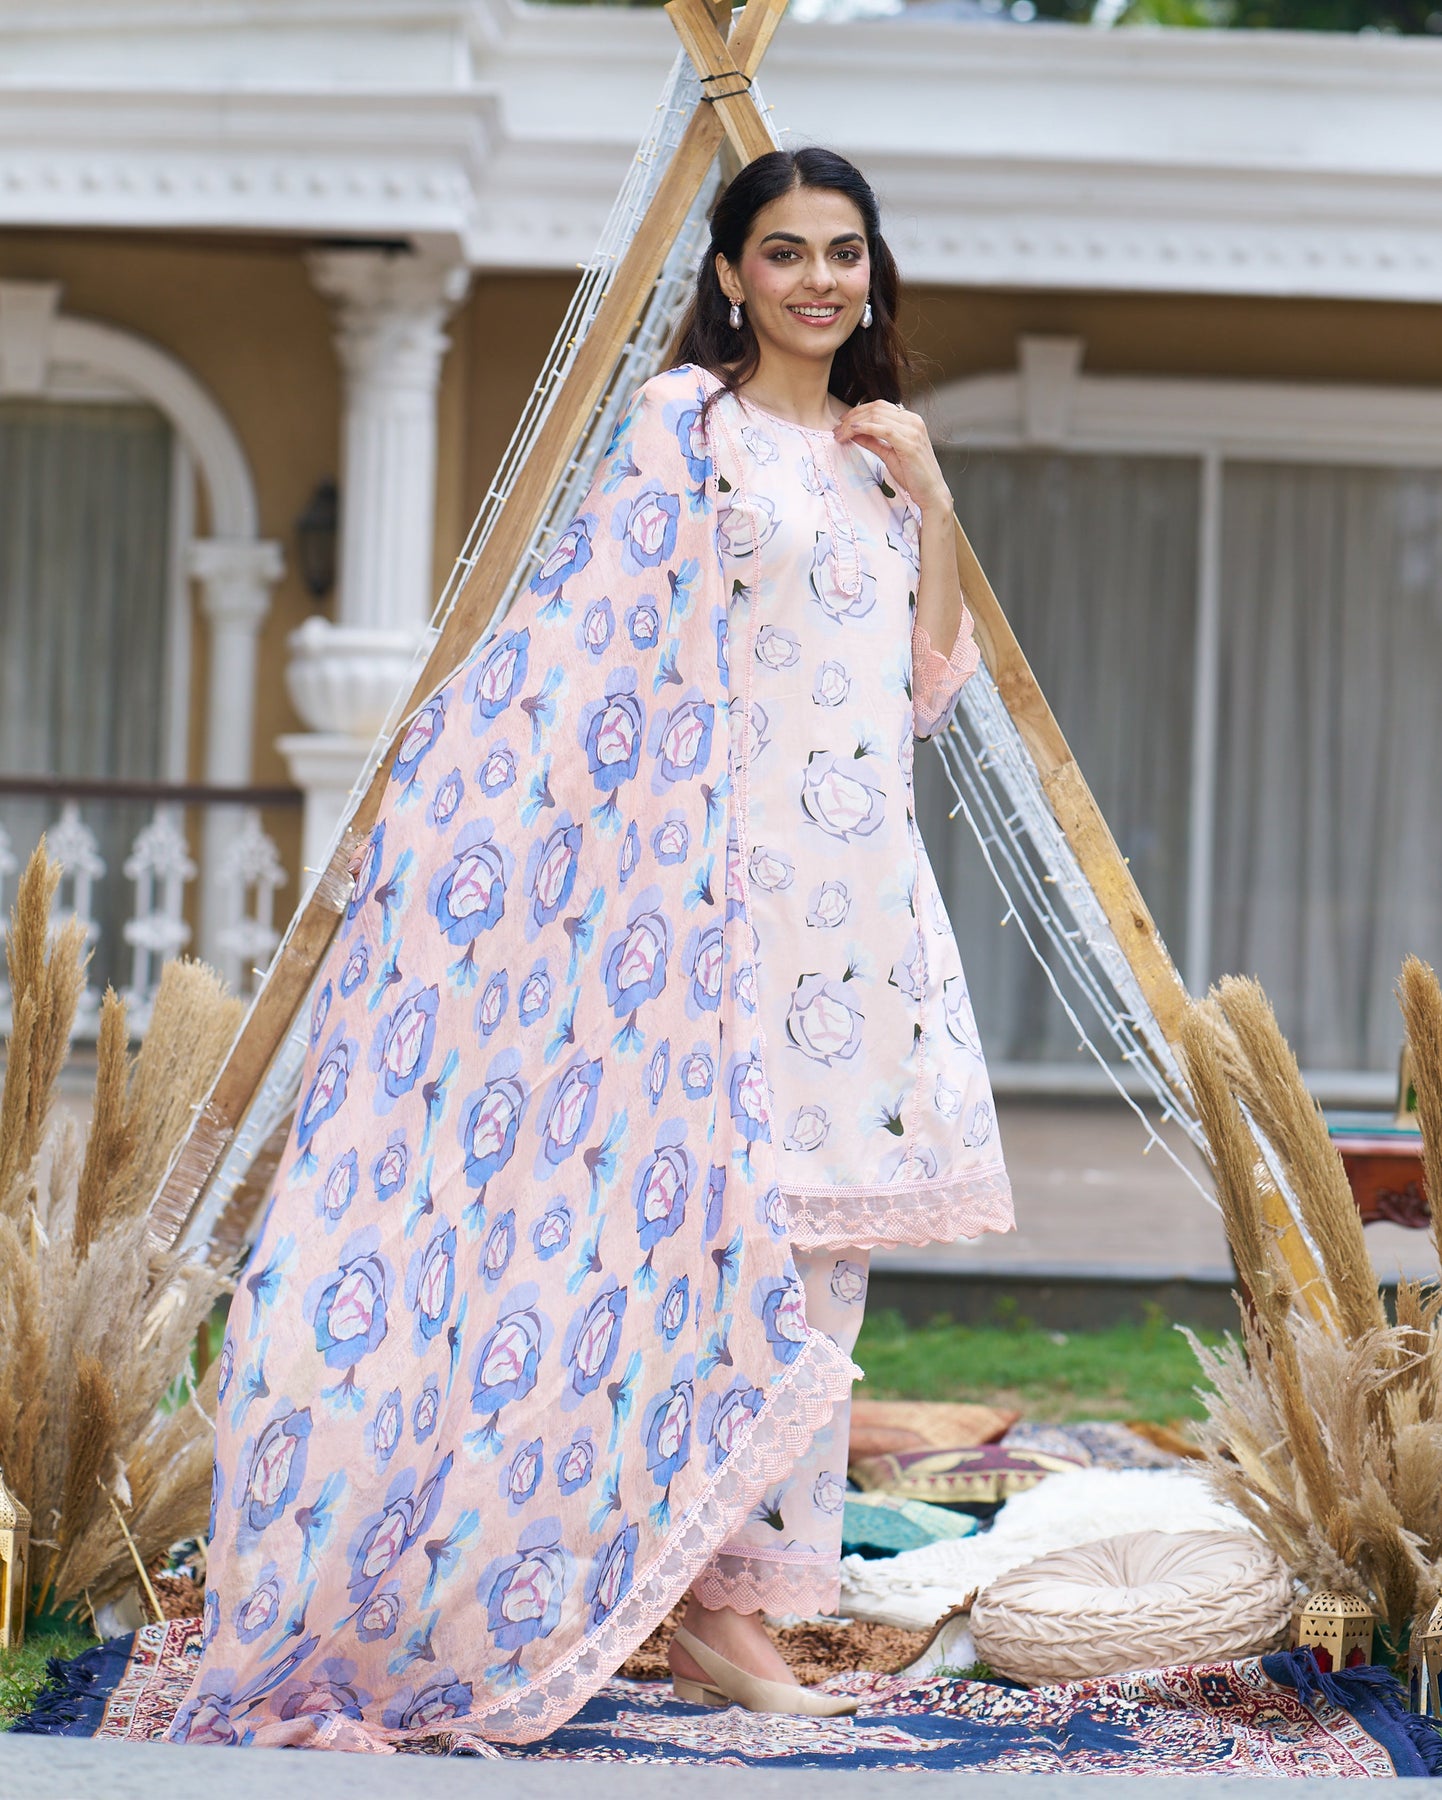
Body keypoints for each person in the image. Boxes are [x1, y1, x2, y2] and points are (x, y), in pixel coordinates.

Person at [168, 146, 1012, 1754]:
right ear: (731, 276)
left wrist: (932, 493)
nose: (818, 280)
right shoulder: (683, 427)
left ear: (871, 273)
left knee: (815, 1266)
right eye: (785, 252)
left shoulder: (872, 454)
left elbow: (923, 685)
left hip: (849, 915)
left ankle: (730, 1599)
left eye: (843, 251)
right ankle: (645, 1586)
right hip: (709, 906)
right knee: (691, 1249)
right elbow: (593, 650)